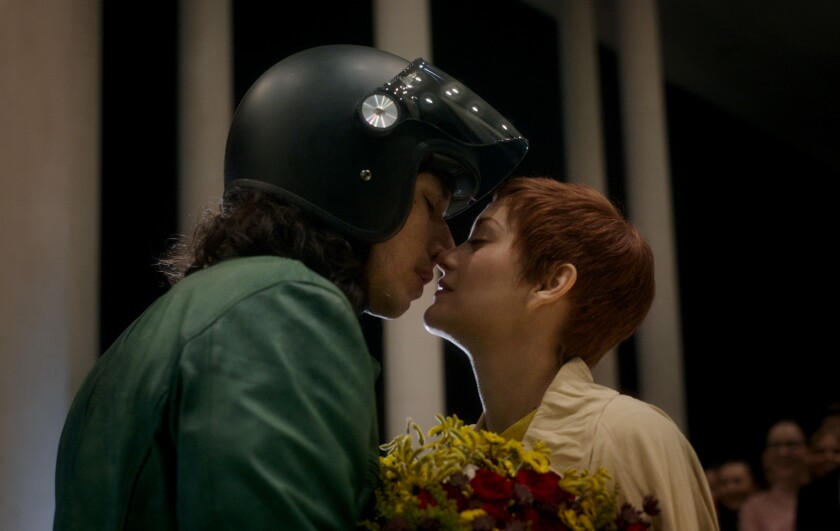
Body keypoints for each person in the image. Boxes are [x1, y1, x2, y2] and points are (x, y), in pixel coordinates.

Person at [52, 44, 528, 530]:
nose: (445, 245)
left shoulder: (183, 321)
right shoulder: (281, 308)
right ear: (360, 180)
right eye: (431, 205)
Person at [423, 176, 719, 530]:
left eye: (480, 240)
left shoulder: (630, 436)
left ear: (551, 283)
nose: (445, 255)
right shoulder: (449, 465)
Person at [738, 418, 810, 531]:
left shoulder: (828, 497)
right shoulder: (753, 507)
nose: (783, 453)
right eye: (776, 446)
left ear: (807, 449)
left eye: (791, 444)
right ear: (766, 455)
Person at [715, 458, 757, 531]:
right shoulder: (714, 518)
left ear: (754, 484)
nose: (730, 489)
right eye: (724, 483)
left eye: (737, 481)